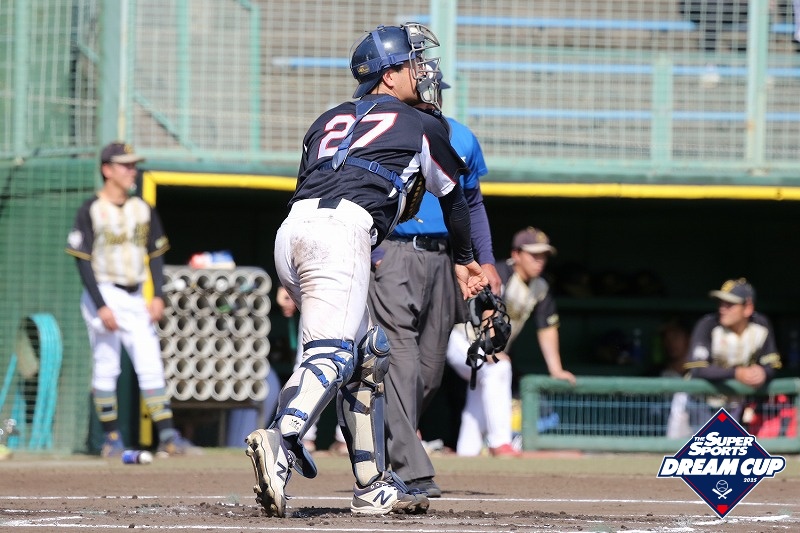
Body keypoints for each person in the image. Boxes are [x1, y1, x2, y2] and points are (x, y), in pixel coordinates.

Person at [244, 23, 488, 518]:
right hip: (340, 233)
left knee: (368, 356)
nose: (424, 71)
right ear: (388, 74)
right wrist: (466, 260)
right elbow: (455, 200)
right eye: (413, 63)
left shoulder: (326, 118)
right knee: (333, 354)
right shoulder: (424, 124)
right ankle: (282, 437)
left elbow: (315, 183)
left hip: (293, 231)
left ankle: (373, 484)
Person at [368, 76, 501, 498]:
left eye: (434, 86)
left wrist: (485, 259)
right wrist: (373, 249)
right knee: (402, 361)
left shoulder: (460, 135)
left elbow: (472, 203)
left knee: (429, 370)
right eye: (425, 84)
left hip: (446, 256)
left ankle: (376, 439)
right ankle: (411, 469)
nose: (431, 92)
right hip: (395, 250)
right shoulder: (385, 128)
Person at [66, 142, 198, 458]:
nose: (131, 171)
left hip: (136, 294)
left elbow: (156, 255)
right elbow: (83, 261)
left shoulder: (142, 208)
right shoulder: (91, 209)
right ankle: (111, 438)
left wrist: (158, 296)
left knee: (150, 362)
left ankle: (167, 436)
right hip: (104, 291)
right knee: (107, 364)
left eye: (133, 165)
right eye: (125, 165)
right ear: (107, 169)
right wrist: (100, 305)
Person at [446, 227, 576, 457]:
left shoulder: (540, 286)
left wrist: (556, 369)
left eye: (543, 255)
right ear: (516, 254)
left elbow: (547, 328)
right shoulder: (499, 273)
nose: (539, 261)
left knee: (481, 393)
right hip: (462, 340)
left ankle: (467, 454)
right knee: (500, 368)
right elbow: (485, 306)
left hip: (484, 348)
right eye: (533, 255)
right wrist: (489, 345)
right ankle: (501, 442)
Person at [682, 278, 782, 424]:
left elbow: (772, 364)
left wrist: (763, 372)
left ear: (748, 308)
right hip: (699, 402)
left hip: (735, 405)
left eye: (730, 304)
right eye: (721, 303)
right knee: (684, 440)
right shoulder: (708, 324)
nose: (722, 308)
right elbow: (697, 369)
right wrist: (737, 373)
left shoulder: (760, 325)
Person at [275, 285, 348, 455]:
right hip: (328, 290)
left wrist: (286, 286)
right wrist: (286, 287)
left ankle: (306, 436)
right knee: (346, 361)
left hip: (322, 290)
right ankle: (339, 440)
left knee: (312, 362)